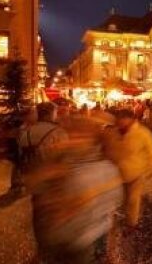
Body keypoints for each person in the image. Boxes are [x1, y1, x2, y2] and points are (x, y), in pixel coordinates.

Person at [27, 113, 123, 264]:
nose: (75, 140)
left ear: (93, 140)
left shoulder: (104, 167)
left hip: (82, 241)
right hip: (54, 238)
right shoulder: (61, 159)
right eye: (73, 135)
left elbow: (111, 201)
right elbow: (34, 187)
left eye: (82, 136)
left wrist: (84, 201)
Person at [103, 109, 152, 228]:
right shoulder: (112, 133)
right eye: (118, 119)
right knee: (120, 200)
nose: (119, 122)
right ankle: (121, 219)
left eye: (122, 119)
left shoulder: (143, 133)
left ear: (130, 119)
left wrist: (148, 172)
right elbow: (107, 150)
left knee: (133, 200)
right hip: (116, 174)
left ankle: (132, 223)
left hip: (136, 173)